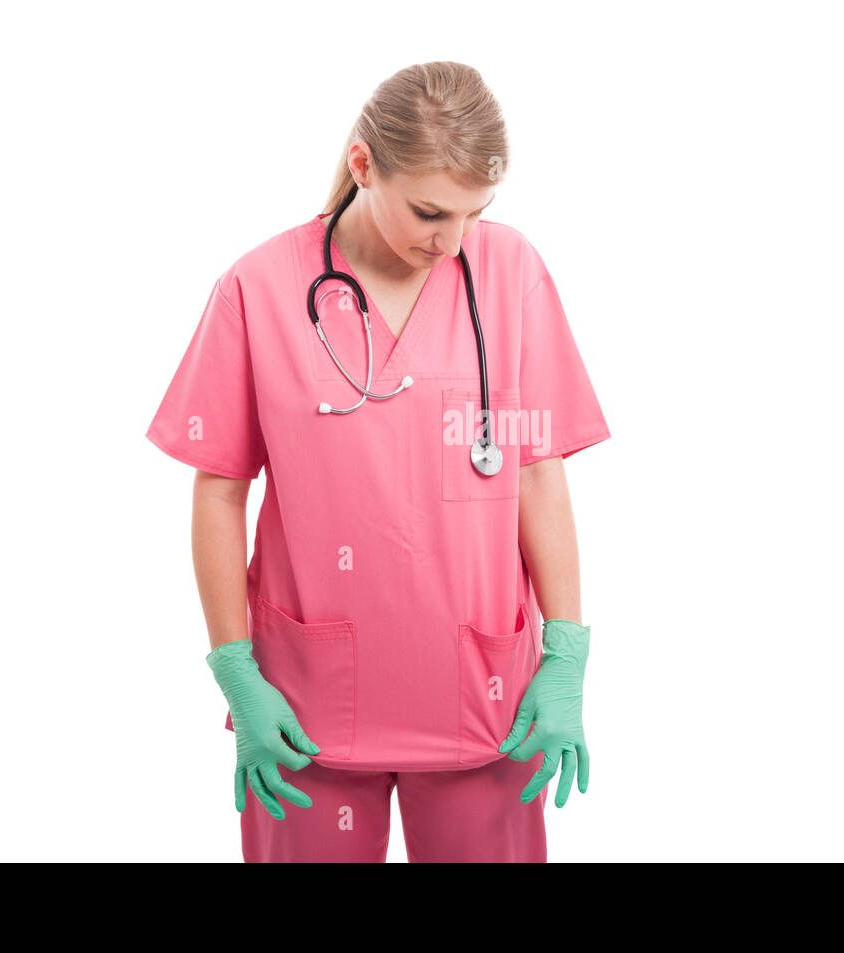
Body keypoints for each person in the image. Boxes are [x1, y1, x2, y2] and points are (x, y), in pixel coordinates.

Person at [146, 61, 610, 863]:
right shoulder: (258, 287)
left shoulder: (510, 272)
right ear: (364, 167)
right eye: (432, 211)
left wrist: (566, 652)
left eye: (475, 212)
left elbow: (536, 470)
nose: (453, 240)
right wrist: (235, 670)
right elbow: (219, 490)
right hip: (305, 705)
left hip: (484, 696)